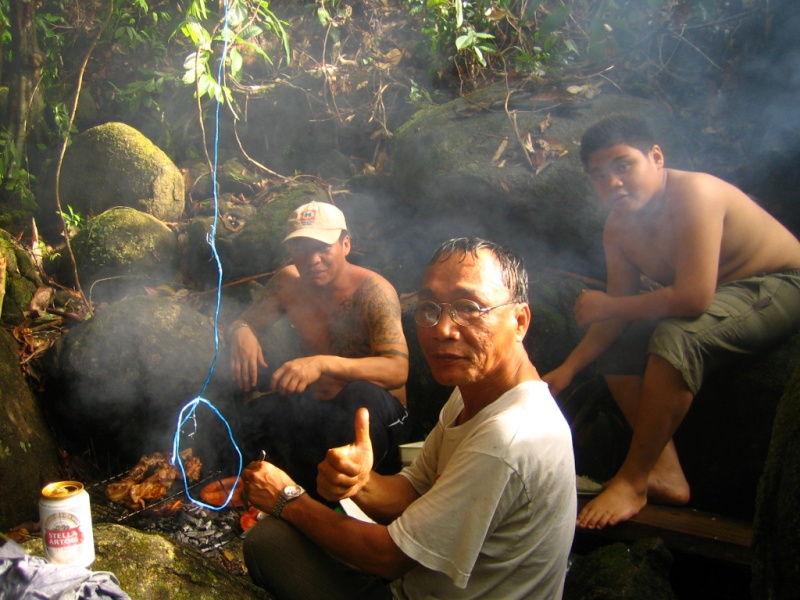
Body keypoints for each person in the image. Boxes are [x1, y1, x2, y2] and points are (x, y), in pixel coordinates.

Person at [240, 237, 577, 600]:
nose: (443, 329)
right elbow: (413, 489)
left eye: (469, 307)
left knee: (269, 542)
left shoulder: (509, 438)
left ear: (520, 321)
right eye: (430, 308)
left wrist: (286, 498)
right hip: (417, 579)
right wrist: (361, 480)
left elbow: (386, 557)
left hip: (404, 582)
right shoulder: (472, 393)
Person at [543, 113, 800, 530]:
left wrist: (609, 306)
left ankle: (633, 478)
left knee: (676, 336)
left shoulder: (695, 194)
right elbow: (619, 313)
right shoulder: (619, 228)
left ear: (656, 157)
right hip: (721, 297)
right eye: (599, 176)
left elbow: (691, 300)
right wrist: (569, 369)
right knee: (623, 349)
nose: (613, 184)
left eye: (623, 165)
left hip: (780, 282)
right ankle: (664, 471)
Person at [228, 200, 410, 499]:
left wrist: (323, 364)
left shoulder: (374, 291)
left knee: (360, 395)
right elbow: (244, 322)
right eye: (301, 248)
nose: (311, 258)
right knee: (255, 413)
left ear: (346, 244)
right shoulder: (288, 282)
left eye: (322, 247)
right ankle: (255, 494)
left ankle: (345, 504)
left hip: (377, 418)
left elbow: (397, 370)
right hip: (317, 408)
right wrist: (241, 331)